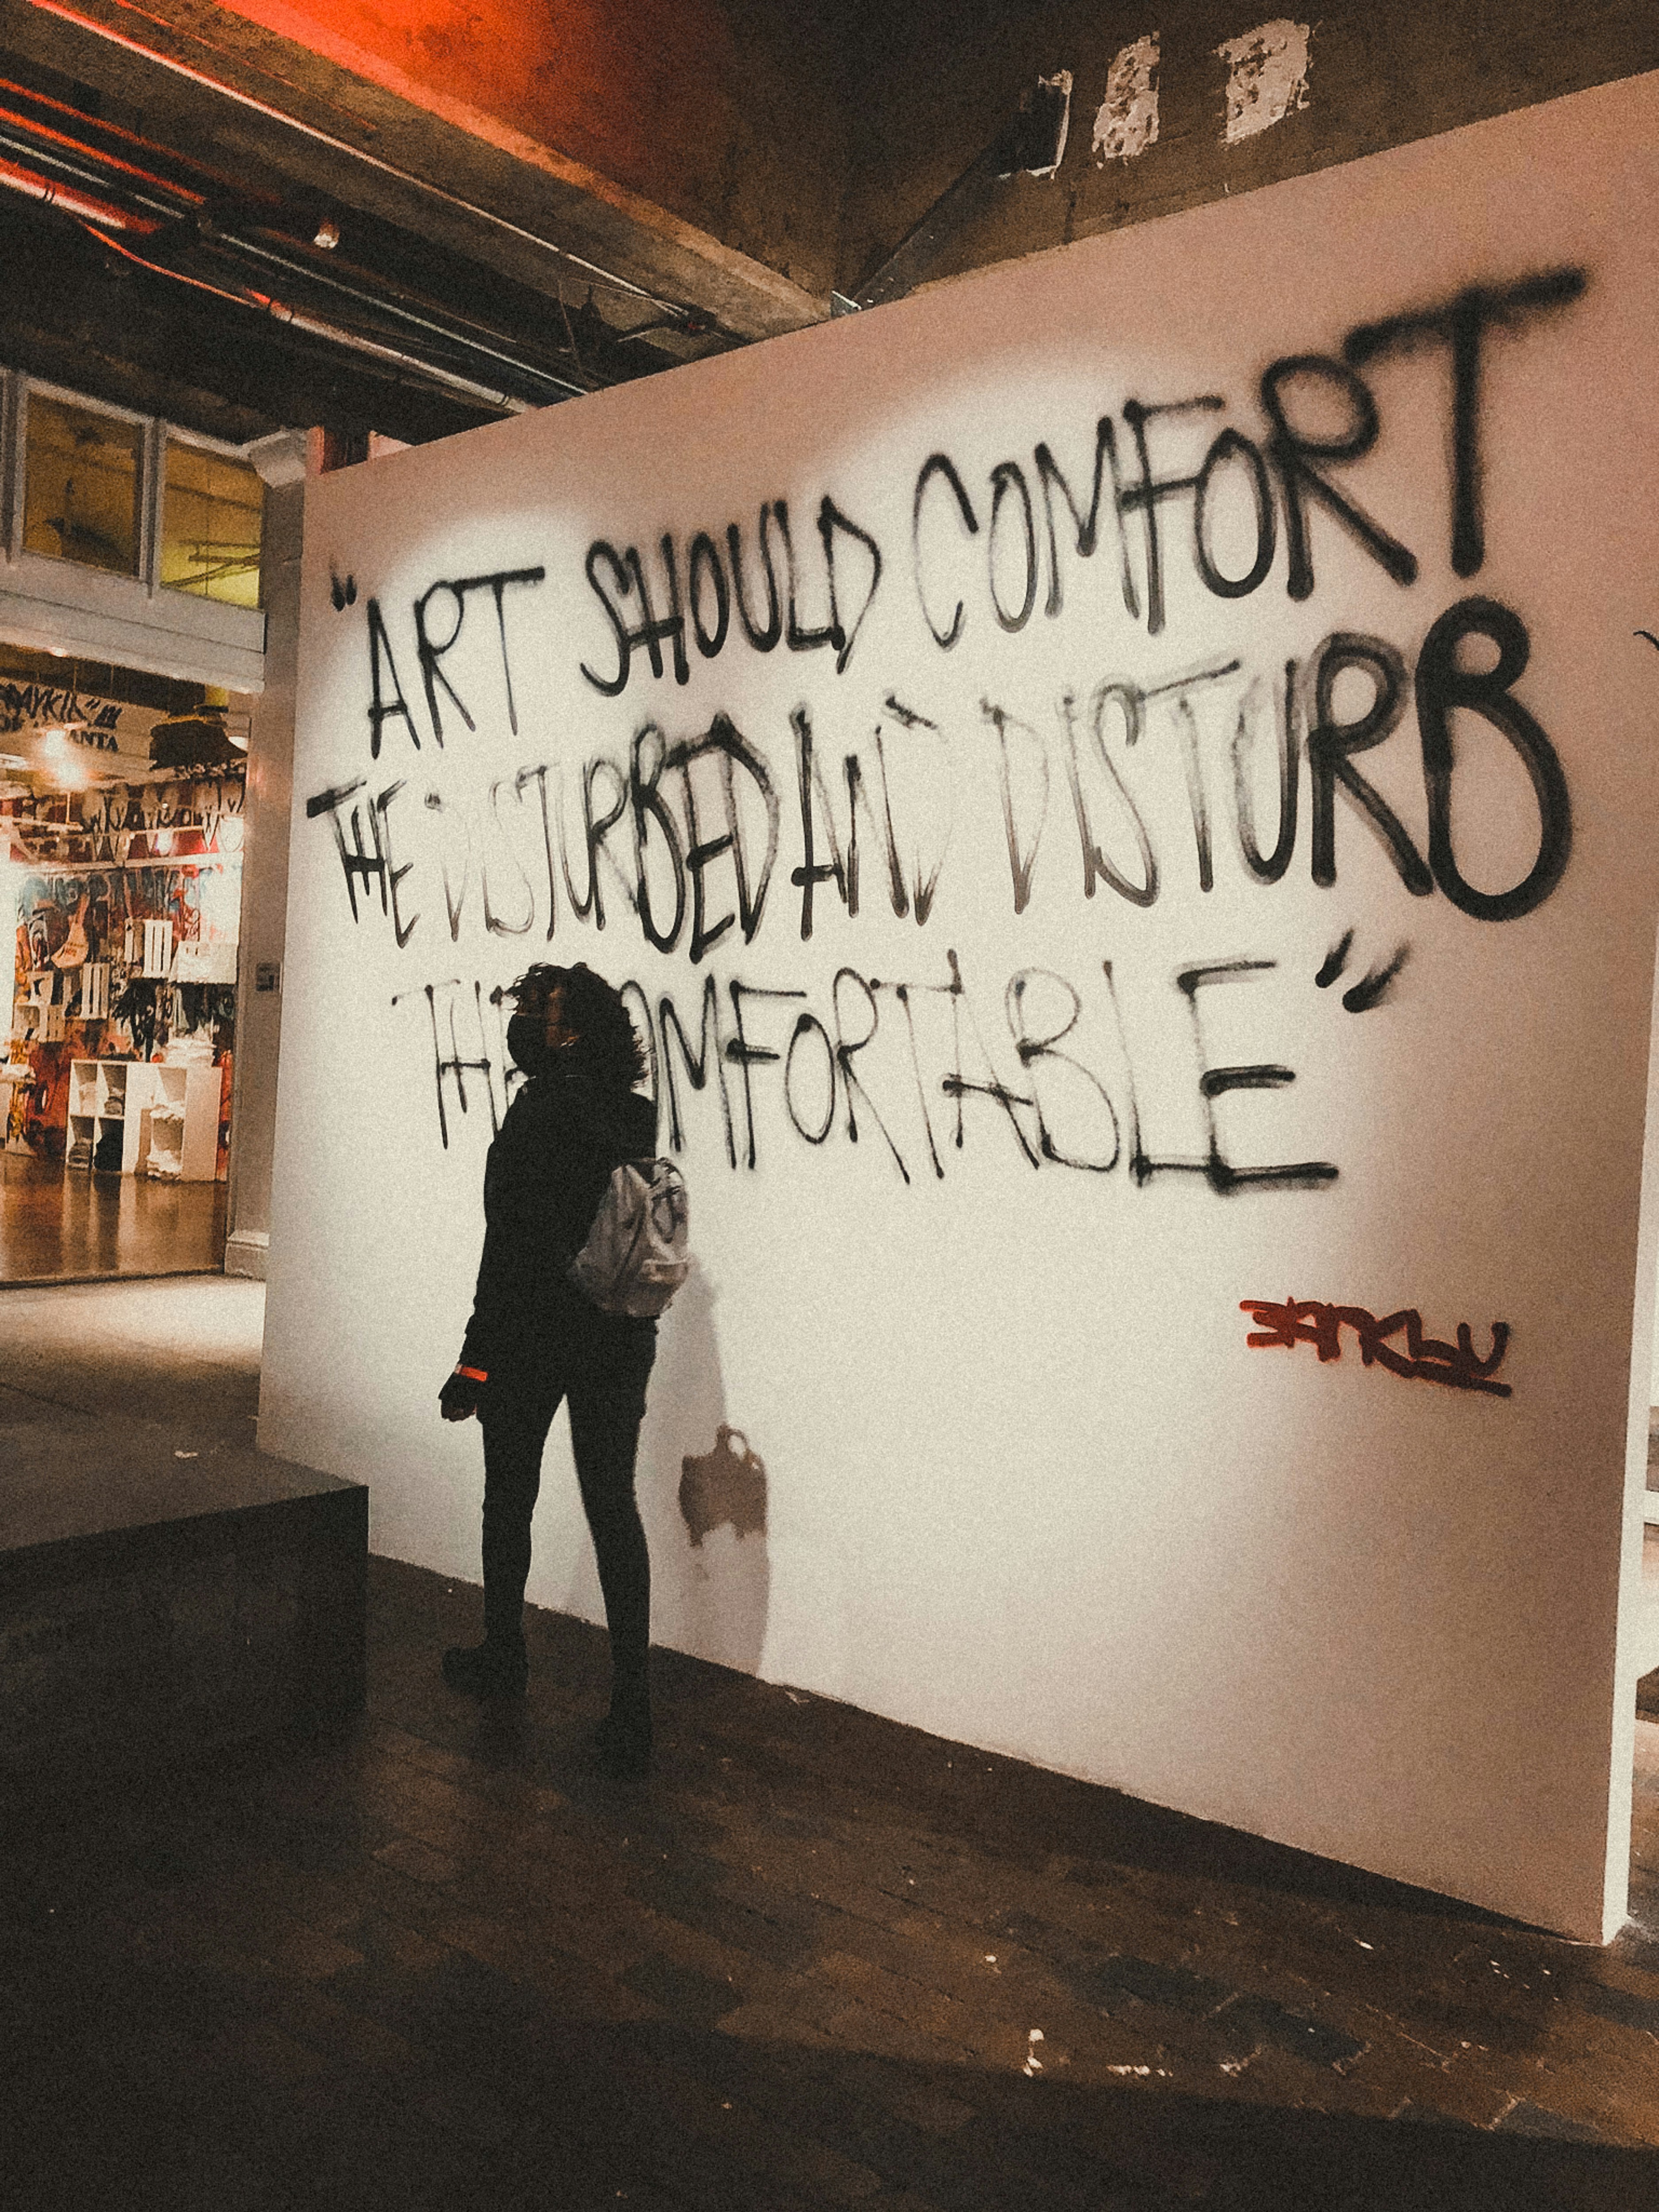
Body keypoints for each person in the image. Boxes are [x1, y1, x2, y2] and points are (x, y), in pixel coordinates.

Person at [438, 961, 660, 1777]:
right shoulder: (634, 1116)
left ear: (569, 1032)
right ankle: (631, 1707)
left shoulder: (539, 1115)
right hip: (617, 1335)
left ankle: (506, 1654)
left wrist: (473, 1361)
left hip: (533, 1334)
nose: (526, 1021)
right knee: (613, 1509)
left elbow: (508, 1251)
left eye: (541, 1011)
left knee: (510, 1497)